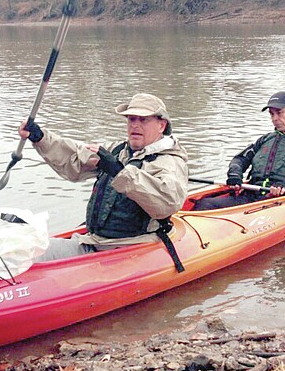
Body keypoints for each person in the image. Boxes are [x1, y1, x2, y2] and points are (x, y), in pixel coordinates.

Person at [18, 93, 189, 264]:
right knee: (25, 249)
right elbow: (76, 158)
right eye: (131, 119)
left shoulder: (170, 162)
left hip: (135, 248)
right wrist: (40, 138)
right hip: (96, 243)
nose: (135, 125)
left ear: (161, 125)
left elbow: (167, 203)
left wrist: (119, 172)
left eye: (143, 120)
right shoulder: (117, 150)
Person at [193, 91, 285, 210]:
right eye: (272, 114)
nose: (275, 119)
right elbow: (240, 159)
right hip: (251, 194)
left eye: (279, 113)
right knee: (204, 204)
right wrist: (235, 175)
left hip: (282, 199)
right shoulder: (265, 139)